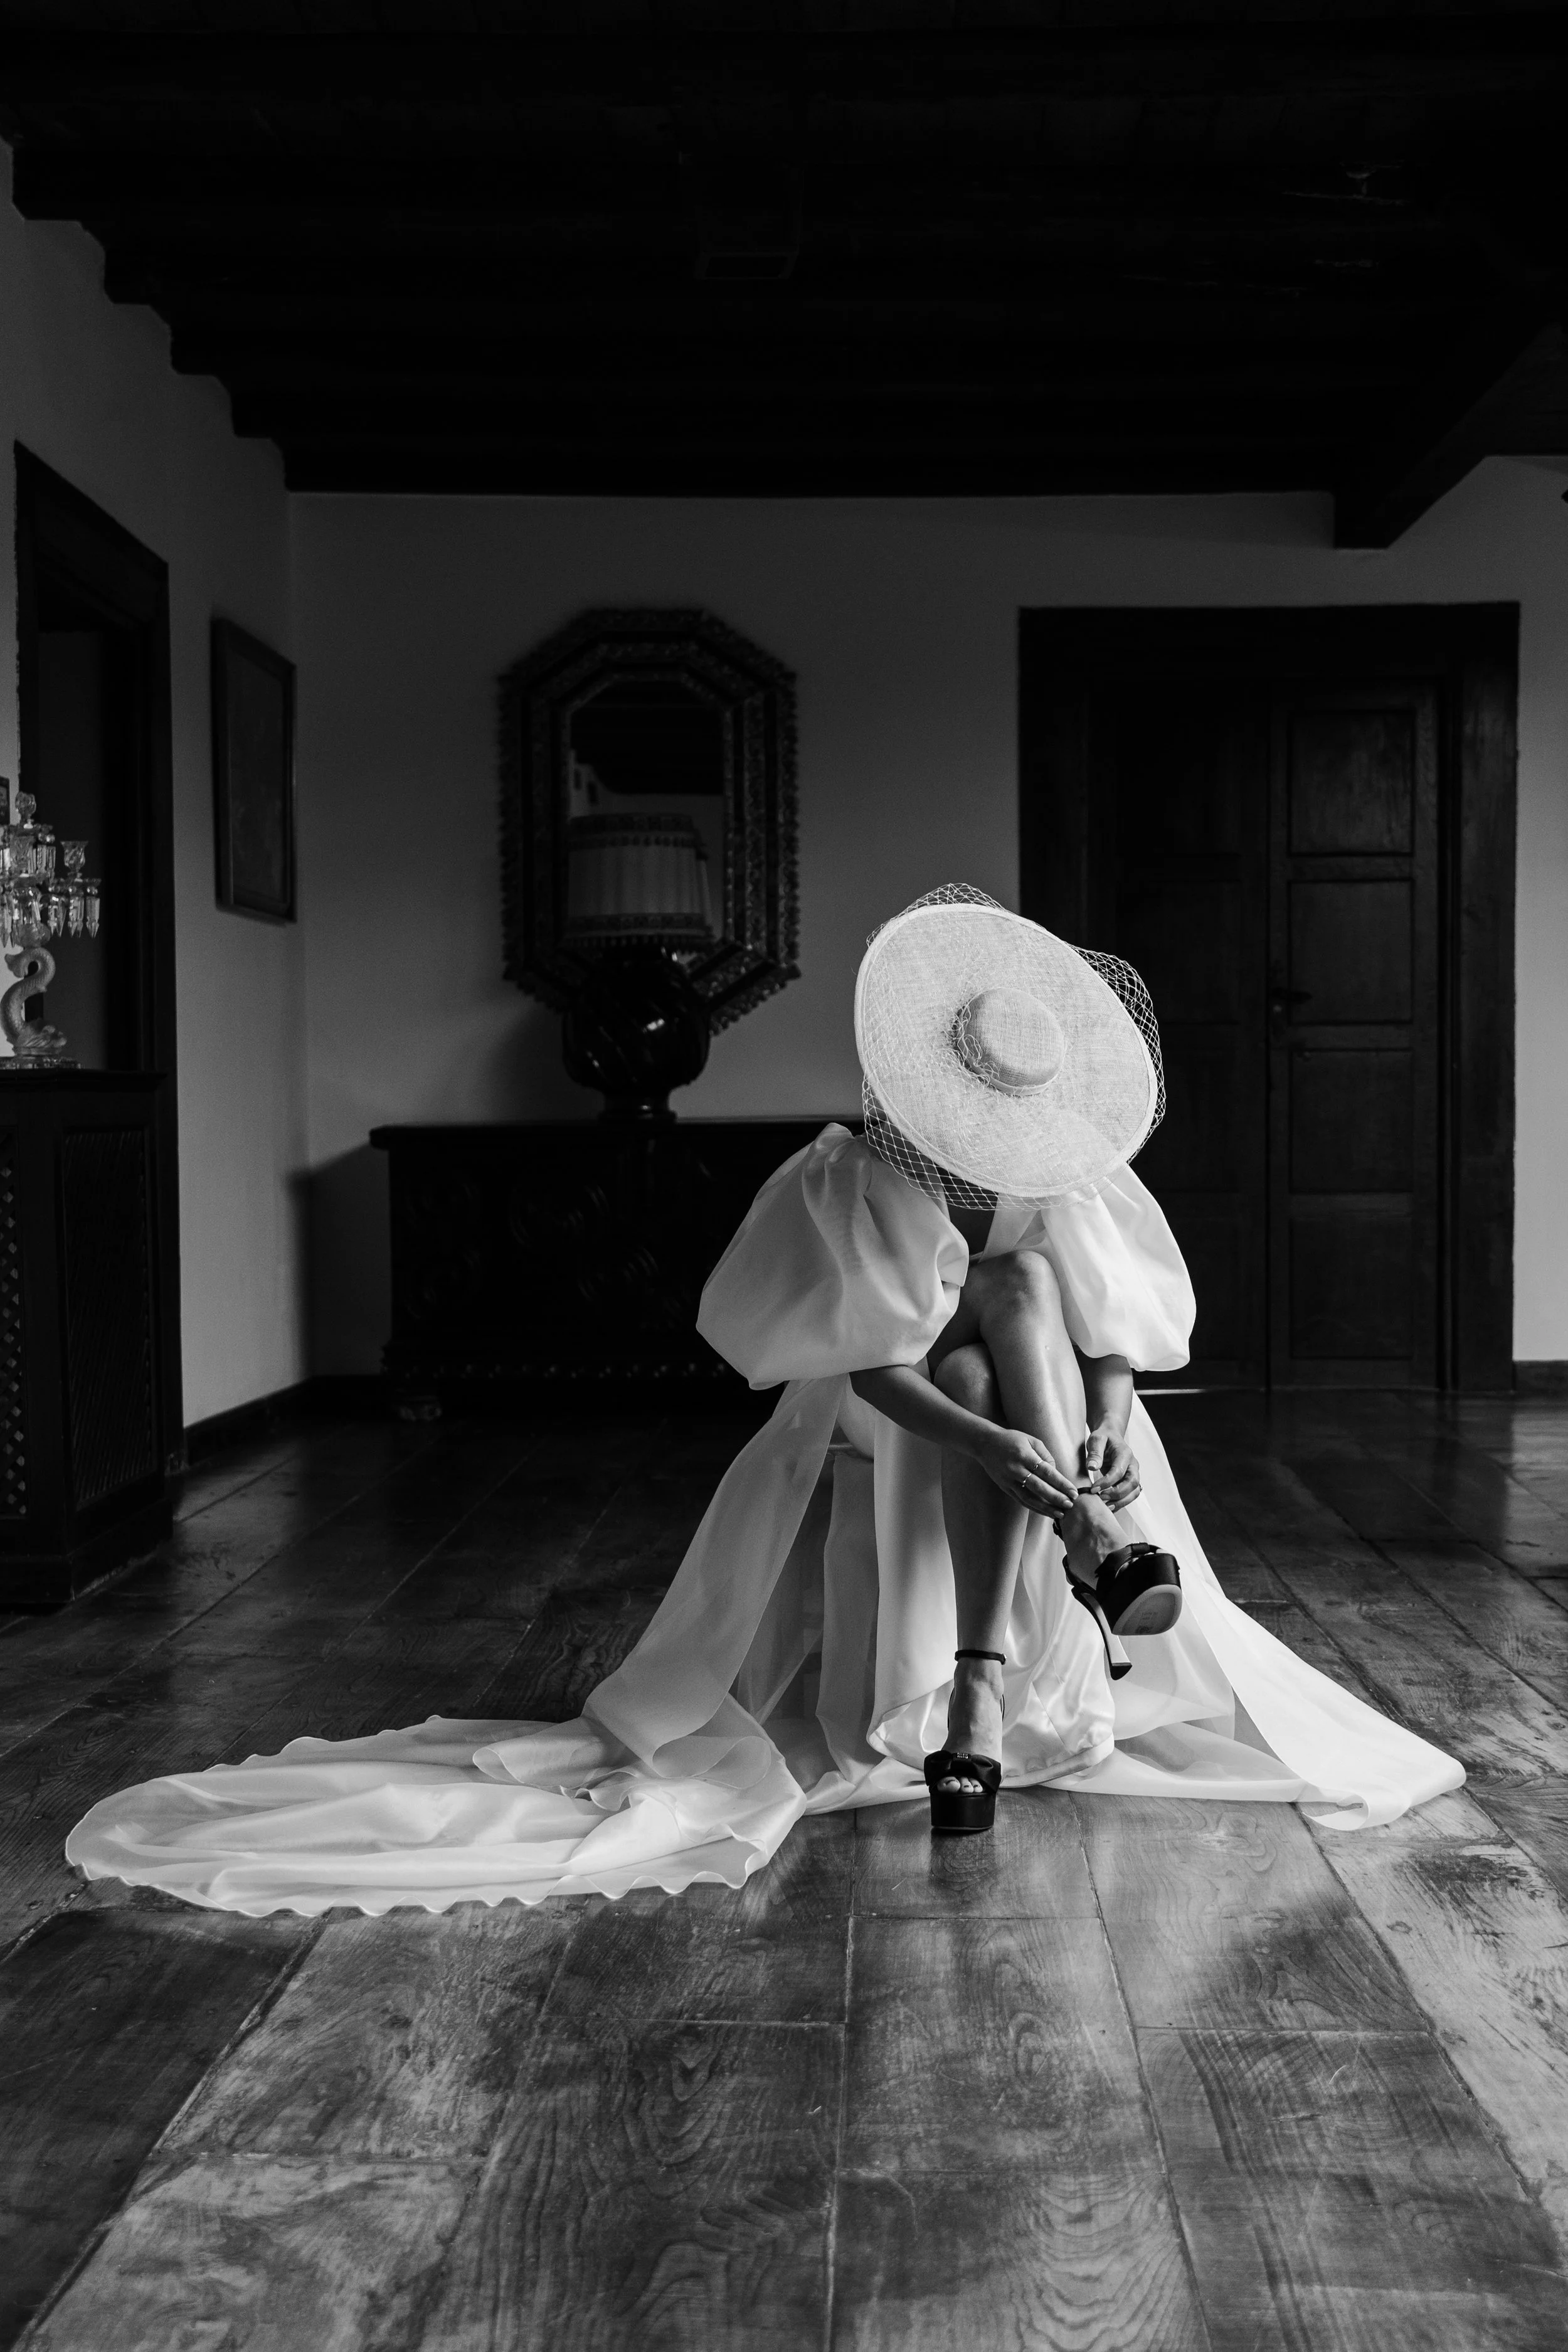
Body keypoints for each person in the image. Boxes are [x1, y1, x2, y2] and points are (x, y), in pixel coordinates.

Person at [65, 888, 1462, 1918]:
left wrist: (1099, 1420)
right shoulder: (851, 1173)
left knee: (1024, 1308)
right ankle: (1096, 1551)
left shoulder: (1063, 1171)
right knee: (980, 1354)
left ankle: (980, 1688)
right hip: (883, 1412)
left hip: (1011, 1401)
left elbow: (1113, 1333)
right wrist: (1006, 1449)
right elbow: (869, 1369)